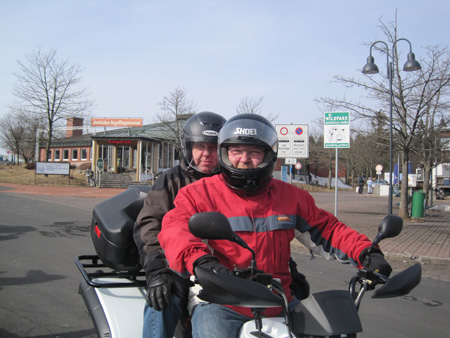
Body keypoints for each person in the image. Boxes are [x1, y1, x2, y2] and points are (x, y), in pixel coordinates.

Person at [158, 114, 392, 338]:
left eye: (254, 152)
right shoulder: (198, 194)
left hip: (279, 300)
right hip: (221, 301)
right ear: (225, 154)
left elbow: (328, 229)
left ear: (269, 155)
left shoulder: (291, 196)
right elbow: (175, 229)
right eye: (236, 151)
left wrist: (366, 252)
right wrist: (201, 261)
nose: (244, 159)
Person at [133, 111, 226, 338]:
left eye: (213, 147)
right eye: (199, 146)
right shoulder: (171, 179)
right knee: (163, 298)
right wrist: (157, 270)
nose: (206, 154)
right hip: (179, 265)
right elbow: (149, 223)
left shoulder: (233, 183)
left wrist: (287, 267)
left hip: (225, 266)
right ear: (188, 147)